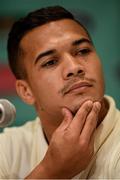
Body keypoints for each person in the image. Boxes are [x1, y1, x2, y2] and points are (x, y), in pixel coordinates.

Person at [0, 5, 120, 179]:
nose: (74, 67)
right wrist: (51, 171)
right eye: (50, 62)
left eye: (83, 51)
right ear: (26, 91)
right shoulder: (7, 149)